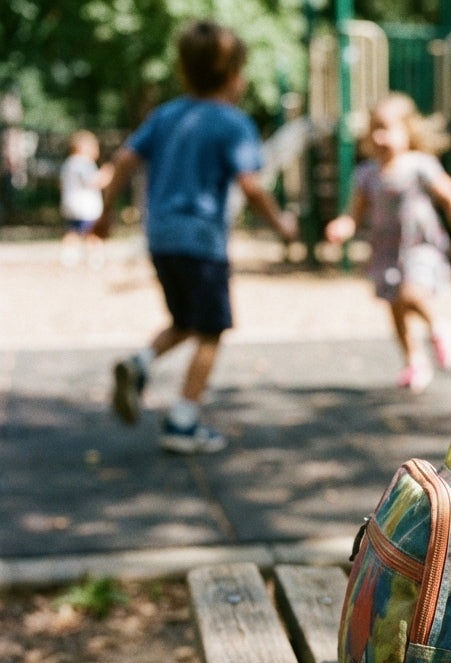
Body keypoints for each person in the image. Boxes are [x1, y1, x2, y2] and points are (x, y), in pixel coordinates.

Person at [94, 19, 298, 454]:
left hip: (160, 236)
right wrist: (280, 224)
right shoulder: (233, 123)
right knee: (211, 329)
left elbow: (123, 160)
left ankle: (139, 362)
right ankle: (183, 421)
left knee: (185, 321)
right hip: (201, 239)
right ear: (234, 76)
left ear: (185, 71)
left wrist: (104, 214)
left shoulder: (166, 114)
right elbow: (252, 184)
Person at [324, 92, 451, 394]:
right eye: (375, 129)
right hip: (386, 249)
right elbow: (354, 213)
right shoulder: (367, 174)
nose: (380, 137)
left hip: (420, 245)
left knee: (411, 293)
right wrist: (342, 227)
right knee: (395, 307)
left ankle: (439, 325)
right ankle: (414, 361)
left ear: (408, 131)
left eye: (387, 128)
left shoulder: (419, 165)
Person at [59, 130, 112, 268]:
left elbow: (61, 184)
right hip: (86, 206)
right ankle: (95, 259)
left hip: (71, 205)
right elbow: (93, 181)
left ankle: (68, 257)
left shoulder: (68, 163)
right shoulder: (83, 163)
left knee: (72, 232)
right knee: (93, 233)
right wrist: (107, 174)